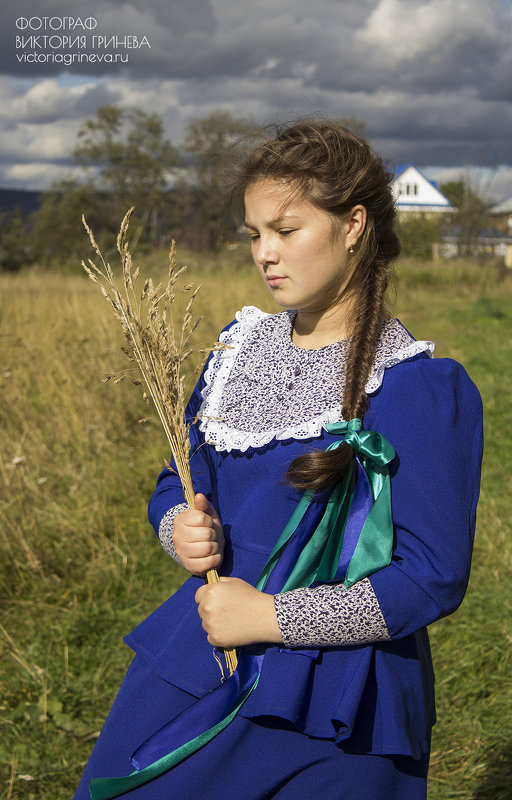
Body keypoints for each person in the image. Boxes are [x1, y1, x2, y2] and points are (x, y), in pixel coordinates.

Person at [74, 120, 483, 800]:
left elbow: (433, 577)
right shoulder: (236, 355)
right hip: (202, 657)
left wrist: (271, 619)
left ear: (353, 225)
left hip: (335, 705)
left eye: (285, 231)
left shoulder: (415, 387)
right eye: (253, 234)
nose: (264, 253)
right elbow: (177, 480)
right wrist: (178, 524)